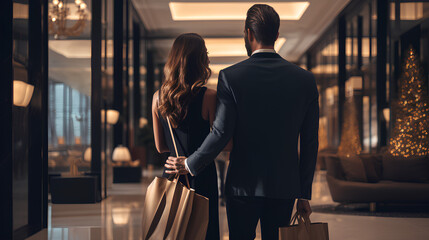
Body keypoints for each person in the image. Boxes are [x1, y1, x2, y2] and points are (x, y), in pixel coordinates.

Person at [165, 4, 319, 240]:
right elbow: (310, 142)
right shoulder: (305, 80)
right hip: (284, 186)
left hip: (241, 185)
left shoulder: (231, 77)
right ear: (277, 36)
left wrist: (190, 164)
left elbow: (220, 132)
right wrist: (304, 193)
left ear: (248, 33)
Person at [152, 33, 231, 240]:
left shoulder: (157, 98)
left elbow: (161, 147)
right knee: (204, 230)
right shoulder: (209, 97)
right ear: (201, 61)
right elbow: (221, 141)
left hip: (171, 172)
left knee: (173, 229)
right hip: (201, 174)